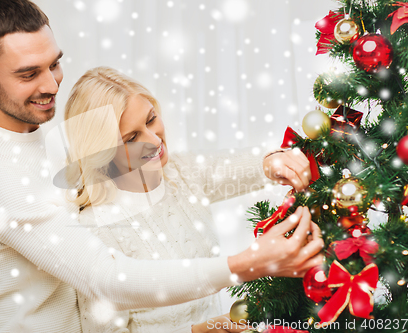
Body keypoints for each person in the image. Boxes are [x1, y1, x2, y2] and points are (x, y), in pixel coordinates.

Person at [0, 1, 324, 332]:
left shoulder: (42, 130)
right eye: (29, 74)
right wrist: (245, 264)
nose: (52, 85)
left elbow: (186, 174)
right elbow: (107, 279)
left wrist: (268, 162)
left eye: (55, 64)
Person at [62, 67, 321, 333]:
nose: (154, 140)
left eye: (151, 120)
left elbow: (240, 167)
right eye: (132, 138)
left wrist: (273, 161)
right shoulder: (95, 229)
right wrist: (198, 331)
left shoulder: (179, 173)